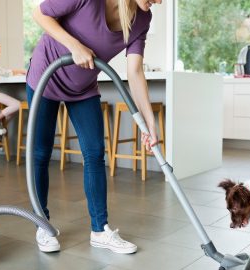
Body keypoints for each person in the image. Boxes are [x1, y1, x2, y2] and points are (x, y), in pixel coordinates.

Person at [27, 0, 162, 254]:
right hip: (46, 76)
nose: (160, 1)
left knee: (95, 153)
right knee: (41, 154)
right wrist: (74, 45)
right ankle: (42, 224)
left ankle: (100, 230)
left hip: (83, 87)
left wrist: (150, 123)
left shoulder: (142, 20)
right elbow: (39, 13)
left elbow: (135, 72)